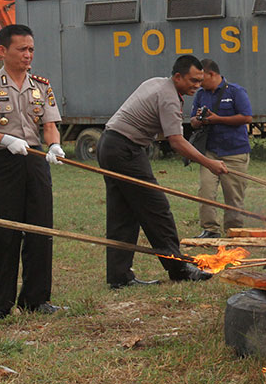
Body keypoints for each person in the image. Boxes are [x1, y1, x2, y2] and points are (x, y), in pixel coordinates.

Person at [97, 54, 227, 288]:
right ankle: (178, 268)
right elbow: (176, 141)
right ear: (178, 77)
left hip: (110, 144)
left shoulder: (156, 83)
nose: (197, 86)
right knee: (157, 208)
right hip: (125, 149)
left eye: (200, 80)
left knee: (123, 213)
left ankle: (119, 277)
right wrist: (210, 163)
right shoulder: (169, 98)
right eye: (193, 80)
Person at [0, 24, 65, 319]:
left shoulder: (41, 85)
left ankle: (36, 299)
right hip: (1, 162)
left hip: (34, 160)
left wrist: (54, 145)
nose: (28, 55)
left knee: (41, 230)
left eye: (31, 49)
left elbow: (49, 124)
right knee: (5, 232)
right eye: (22, 49)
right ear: (2, 51)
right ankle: (2, 305)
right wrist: (5, 139)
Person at [189, 59, 253, 239]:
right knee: (206, 191)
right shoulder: (201, 95)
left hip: (234, 152)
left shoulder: (235, 91)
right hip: (210, 152)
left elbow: (247, 117)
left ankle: (234, 230)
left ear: (212, 74)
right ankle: (210, 229)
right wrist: (199, 120)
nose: (198, 84)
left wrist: (218, 119)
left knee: (233, 195)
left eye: (201, 79)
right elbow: (192, 120)